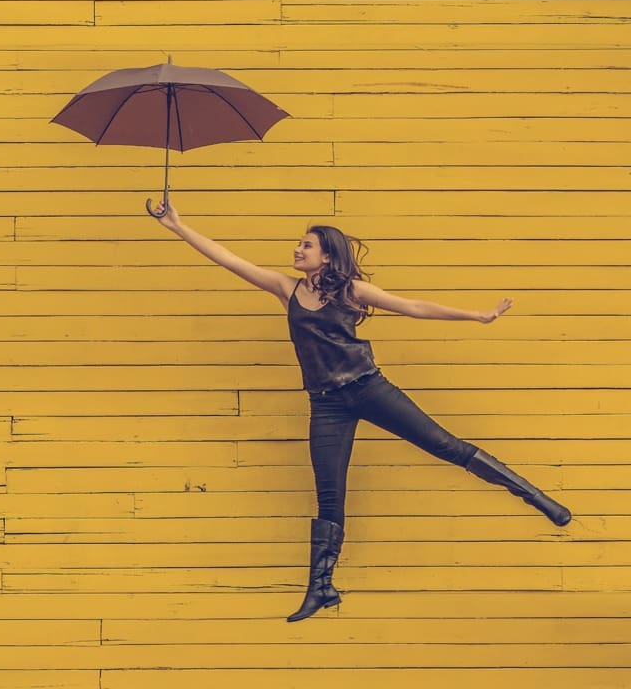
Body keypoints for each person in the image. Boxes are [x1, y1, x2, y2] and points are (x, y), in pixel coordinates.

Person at [146, 198, 572, 623]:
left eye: (306, 245)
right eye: (299, 244)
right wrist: (177, 227)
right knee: (329, 496)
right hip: (327, 405)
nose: (297, 250)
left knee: (445, 445)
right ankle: (321, 588)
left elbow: (413, 306)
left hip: (369, 388)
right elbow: (229, 259)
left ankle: (536, 497)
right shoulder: (286, 288)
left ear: (326, 255)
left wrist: (477, 316)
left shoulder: (351, 291)